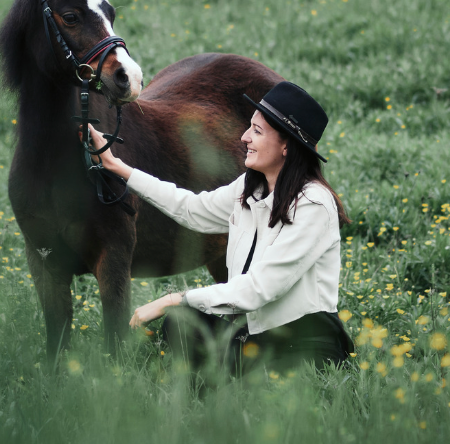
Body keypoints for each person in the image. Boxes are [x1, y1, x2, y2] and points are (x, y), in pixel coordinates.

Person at [86, 80, 353, 376]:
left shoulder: (313, 204)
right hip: (257, 339)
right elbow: (191, 209)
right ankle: (207, 394)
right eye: (249, 127)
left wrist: (174, 298)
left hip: (306, 346)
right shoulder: (251, 188)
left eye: (257, 131)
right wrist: (117, 166)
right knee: (182, 322)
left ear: (287, 146)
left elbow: (259, 290)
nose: (244, 137)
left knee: (181, 311)